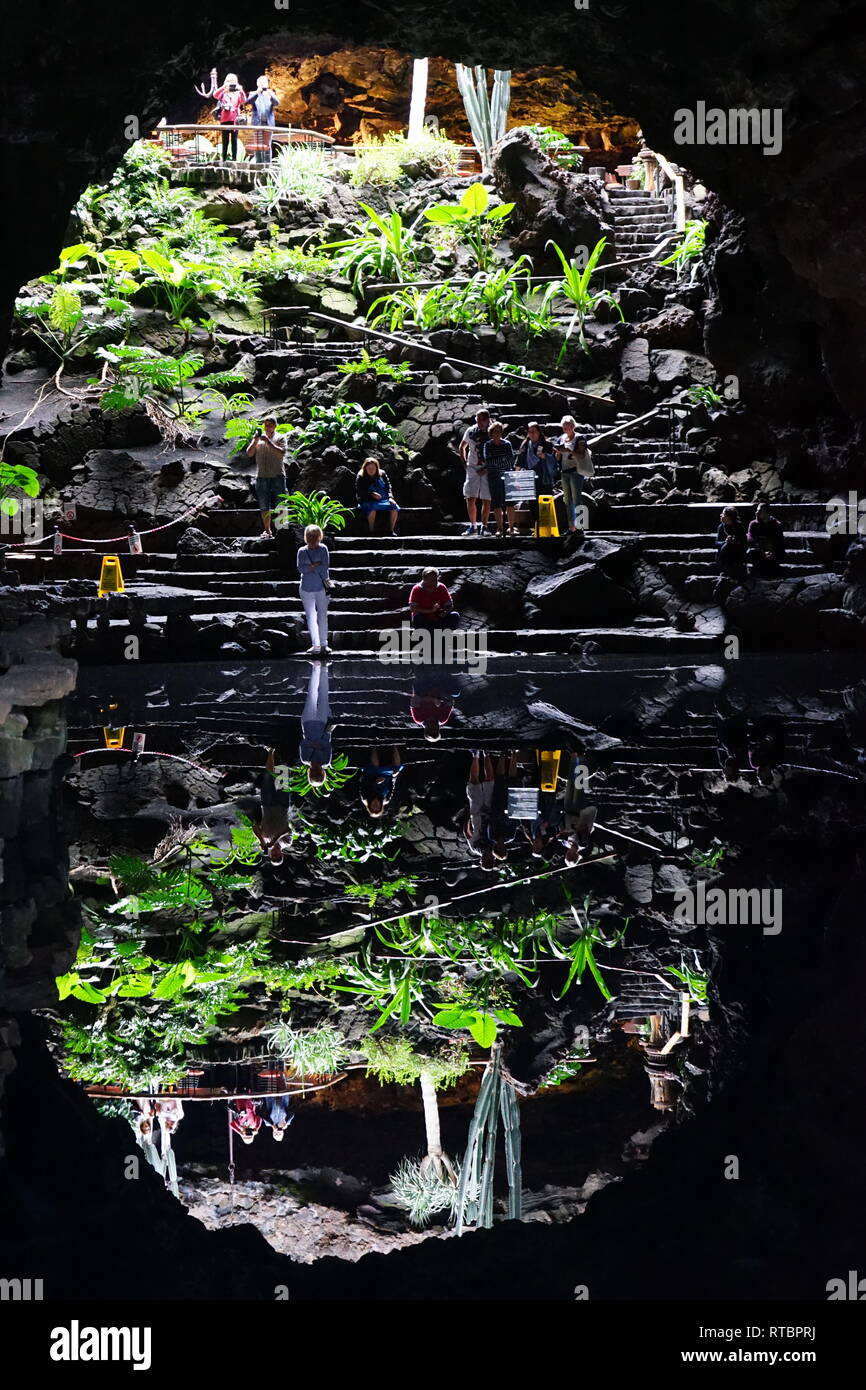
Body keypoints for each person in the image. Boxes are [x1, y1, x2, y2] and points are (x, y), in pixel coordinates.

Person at [252, 747, 294, 864]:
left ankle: (270, 751)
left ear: (270, 855)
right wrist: (274, 840)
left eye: (273, 856)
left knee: (268, 777)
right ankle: (281, 751)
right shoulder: (286, 843)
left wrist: (261, 840)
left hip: (267, 804)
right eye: (278, 856)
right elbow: (287, 830)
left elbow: (254, 826)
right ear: (282, 854)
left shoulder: (265, 843)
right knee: (282, 773)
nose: (275, 854)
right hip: (282, 805)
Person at [245, 417, 286, 536]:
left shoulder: (280, 437)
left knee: (281, 503)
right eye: (266, 425)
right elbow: (249, 453)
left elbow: (282, 452)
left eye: (270, 425)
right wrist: (254, 440)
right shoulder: (258, 440)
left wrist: (268, 442)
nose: (267, 427)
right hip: (262, 476)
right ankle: (267, 530)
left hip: (277, 475)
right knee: (263, 504)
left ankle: (282, 531)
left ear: (275, 426)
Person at [553, 418, 593, 532]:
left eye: (568, 425)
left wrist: (569, 451)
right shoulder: (561, 438)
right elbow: (558, 458)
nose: (566, 428)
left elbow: (581, 455)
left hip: (576, 471)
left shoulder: (579, 438)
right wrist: (559, 452)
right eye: (564, 426)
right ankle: (571, 527)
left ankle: (581, 527)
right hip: (564, 471)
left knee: (577, 499)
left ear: (573, 425)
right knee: (567, 500)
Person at [296, 523, 330, 656]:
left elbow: (325, 567)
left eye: (315, 536)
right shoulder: (302, 551)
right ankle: (315, 644)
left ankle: (324, 644)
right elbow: (301, 568)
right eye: (310, 535)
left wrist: (310, 567)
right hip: (306, 588)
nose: (313, 538)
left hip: (321, 587)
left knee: (322, 615)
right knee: (311, 616)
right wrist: (315, 565)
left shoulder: (323, 549)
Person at [458, 409, 492, 535]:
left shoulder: (492, 431)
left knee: (486, 498)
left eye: (481, 420)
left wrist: (488, 467)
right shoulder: (471, 430)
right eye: (477, 420)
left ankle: (484, 526)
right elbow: (462, 446)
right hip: (472, 467)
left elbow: (497, 450)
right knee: (470, 497)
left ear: (487, 419)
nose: (479, 423)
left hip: (487, 467)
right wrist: (464, 462)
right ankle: (473, 525)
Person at [300, 660, 332, 785]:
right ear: (322, 773)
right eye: (319, 774)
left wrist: (317, 746)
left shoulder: (305, 759)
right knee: (324, 696)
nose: (316, 771)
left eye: (314, 774)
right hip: (321, 725)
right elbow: (327, 744)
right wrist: (316, 745)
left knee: (312, 695)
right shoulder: (326, 761)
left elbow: (303, 743)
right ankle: (324, 669)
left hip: (307, 724)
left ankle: (316, 667)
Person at [482, 421, 516, 535]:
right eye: (495, 432)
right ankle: (500, 528)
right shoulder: (488, 445)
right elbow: (488, 461)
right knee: (496, 503)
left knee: (510, 503)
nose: (497, 433)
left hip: (507, 476)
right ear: (491, 433)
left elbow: (510, 461)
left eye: (499, 431)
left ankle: (511, 528)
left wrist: (497, 462)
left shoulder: (507, 444)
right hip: (494, 477)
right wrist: (501, 460)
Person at [356, 457, 399, 534]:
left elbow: (388, 486)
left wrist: (390, 497)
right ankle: (371, 530)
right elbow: (360, 492)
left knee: (394, 507)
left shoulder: (382, 473)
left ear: (377, 468)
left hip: (383, 499)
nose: (371, 470)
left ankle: (391, 530)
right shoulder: (360, 476)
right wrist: (371, 494)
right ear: (365, 468)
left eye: (373, 468)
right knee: (372, 507)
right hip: (367, 499)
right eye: (369, 468)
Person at [408, 567, 460, 631]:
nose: (434, 582)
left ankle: (436, 631)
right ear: (424, 579)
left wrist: (445, 612)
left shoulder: (441, 587)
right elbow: (413, 608)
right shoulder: (416, 589)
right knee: (418, 618)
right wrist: (431, 610)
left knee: (455, 615)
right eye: (431, 579)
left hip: (438, 618)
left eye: (435, 579)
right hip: (424, 619)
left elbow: (450, 605)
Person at [212, 73, 248, 161]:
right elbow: (215, 95)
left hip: (235, 119)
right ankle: (223, 159)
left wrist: (241, 90)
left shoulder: (238, 93)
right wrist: (224, 87)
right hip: (225, 119)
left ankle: (234, 159)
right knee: (225, 140)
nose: (231, 84)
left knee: (234, 140)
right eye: (230, 82)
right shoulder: (223, 93)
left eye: (233, 82)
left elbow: (244, 100)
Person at [360, 746, 403, 817]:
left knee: (376, 766)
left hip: (371, 774)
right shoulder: (386, 799)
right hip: (386, 776)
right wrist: (394, 776)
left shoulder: (365, 798)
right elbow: (392, 785)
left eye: (373, 806)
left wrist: (375, 781)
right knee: (397, 768)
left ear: (370, 806)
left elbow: (363, 782)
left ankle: (374, 746)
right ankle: (395, 746)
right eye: (377, 807)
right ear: (380, 807)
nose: (376, 804)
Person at [517, 421, 557, 493]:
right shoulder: (525, 445)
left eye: (533, 431)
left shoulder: (547, 444)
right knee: (531, 502)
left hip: (544, 477)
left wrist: (545, 456)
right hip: (529, 477)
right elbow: (519, 461)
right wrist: (516, 478)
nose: (531, 434)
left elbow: (555, 461)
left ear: (538, 432)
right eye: (529, 432)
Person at [747, 502, 786, 575]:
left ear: (767, 513)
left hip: (772, 550)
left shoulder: (776, 525)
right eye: (757, 510)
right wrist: (762, 551)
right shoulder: (753, 524)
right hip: (760, 549)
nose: (757, 513)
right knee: (752, 552)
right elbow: (750, 538)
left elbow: (780, 541)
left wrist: (772, 551)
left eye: (760, 511)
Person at [247, 75, 279, 163]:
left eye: (265, 82)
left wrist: (271, 96)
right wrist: (257, 92)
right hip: (257, 123)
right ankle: (259, 164)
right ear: (258, 84)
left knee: (267, 145)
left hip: (268, 124)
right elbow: (249, 101)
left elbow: (276, 103)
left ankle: (268, 164)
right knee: (258, 145)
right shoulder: (254, 93)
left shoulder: (271, 93)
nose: (264, 84)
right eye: (261, 82)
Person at [715, 506, 747, 579]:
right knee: (726, 546)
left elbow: (744, 544)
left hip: (737, 553)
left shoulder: (739, 527)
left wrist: (737, 542)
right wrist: (725, 542)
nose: (721, 515)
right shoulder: (721, 527)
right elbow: (716, 543)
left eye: (723, 514)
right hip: (724, 553)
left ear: (729, 517)